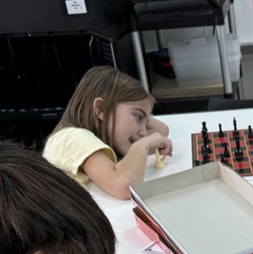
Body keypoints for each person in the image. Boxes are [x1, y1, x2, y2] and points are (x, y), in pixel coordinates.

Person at [44, 66, 172, 200]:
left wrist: (142, 112)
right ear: (101, 110)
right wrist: (142, 146)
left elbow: (162, 130)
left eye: (146, 123)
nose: (144, 133)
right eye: (138, 117)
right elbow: (124, 187)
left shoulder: (95, 137)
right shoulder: (73, 138)